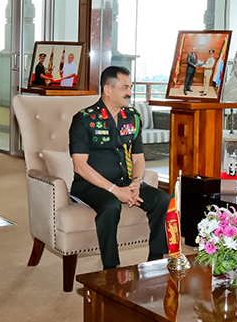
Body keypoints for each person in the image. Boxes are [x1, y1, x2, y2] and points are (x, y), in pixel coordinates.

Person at [69, 66, 170, 269]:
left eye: (130, 87)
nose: (130, 93)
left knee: (163, 200)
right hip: (90, 185)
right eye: (125, 87)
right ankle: (110, 268)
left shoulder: (133, 117)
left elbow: (138, 159)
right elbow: (80, 166)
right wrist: (115, 190)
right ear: (107, 89)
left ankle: (155, 261)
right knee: (111, 205)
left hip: (125, 181)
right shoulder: (84, 119)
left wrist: (137, 182)